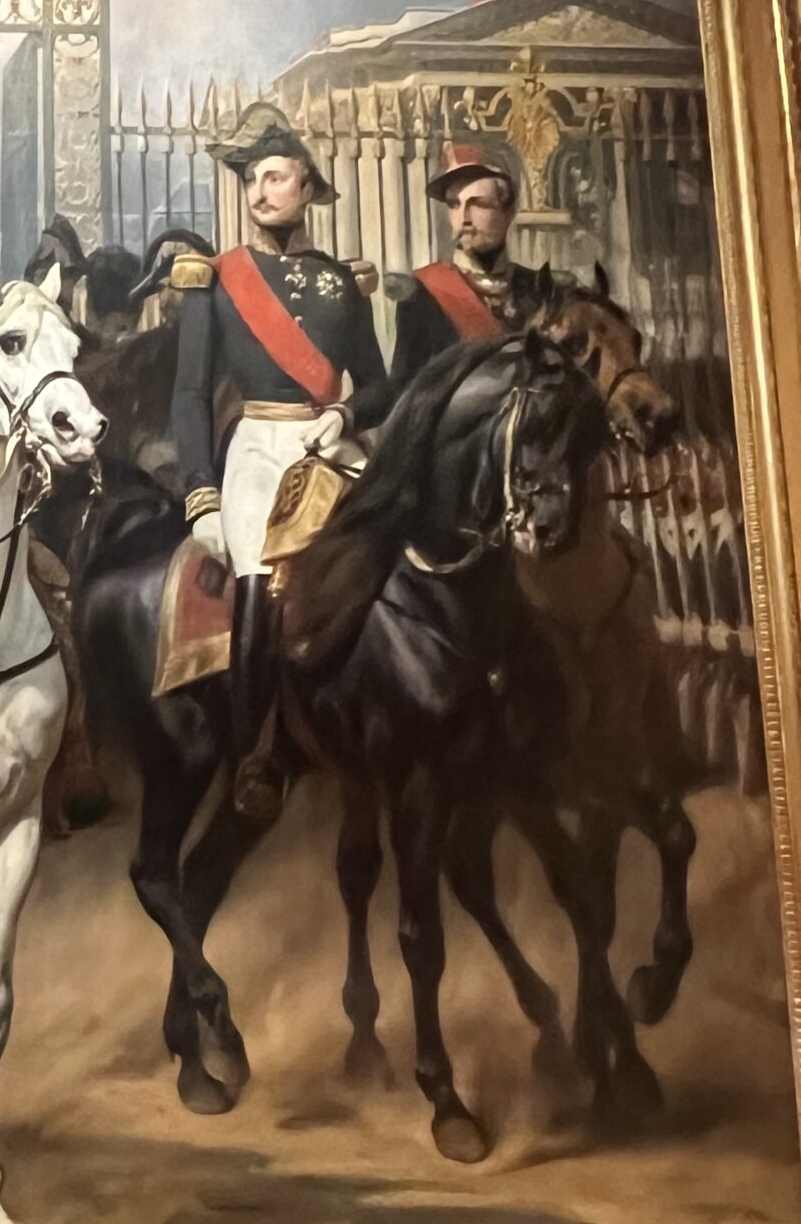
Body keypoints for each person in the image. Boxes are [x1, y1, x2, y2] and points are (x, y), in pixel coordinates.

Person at [170, 110, 394, 821]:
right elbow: (189, 395)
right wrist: (202, 494)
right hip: (258, 451)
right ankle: (256, 755)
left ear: (307, 186)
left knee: (399, 558)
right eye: (251, 182)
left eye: (274, 178)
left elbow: (379, 384)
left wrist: (345, 415)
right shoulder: (217, 280)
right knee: (260, 580)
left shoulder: (341, 283)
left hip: (331, 444)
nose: (260, 193)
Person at [390, 144, 544, 382]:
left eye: (478, 204)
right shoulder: (422, 293)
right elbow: (406, 393)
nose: (463, 217)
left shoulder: (538, 289)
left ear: (508, 212)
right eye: (454, 204)